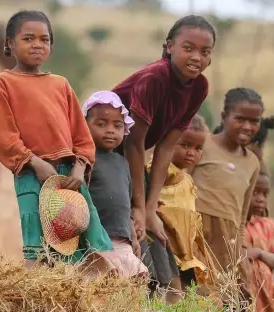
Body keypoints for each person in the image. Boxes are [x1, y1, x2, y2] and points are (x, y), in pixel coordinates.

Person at [0, 10, 112, 268]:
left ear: (51, 46)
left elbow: (81, 134)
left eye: (44, 39)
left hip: (69, 176)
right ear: (10, 43)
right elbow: (4, 136)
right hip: (31, 173)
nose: (37, 45)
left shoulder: (61, 84)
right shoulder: (3, 83)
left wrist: (79, 168)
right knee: (38, 245)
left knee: (83, 239)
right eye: (28, 38)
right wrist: (34, 162)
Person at [112, 15, 216, 301]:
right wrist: (138, 204)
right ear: (169, 46)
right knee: (130, 227)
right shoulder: (156, 77)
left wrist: (149, 205)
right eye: (188, 48)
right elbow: (133, 142)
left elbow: (165, 148)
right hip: (107, 155)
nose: (196, 57)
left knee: (155, 227)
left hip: (132, 158)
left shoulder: (199, 87)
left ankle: (168, 299)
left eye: (205, 52)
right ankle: (134, 295)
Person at [192, 87, 263, 303]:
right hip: (198, 234)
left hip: (229, 241)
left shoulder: (252, 162)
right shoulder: (202, 143)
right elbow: (180, 184)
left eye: (254, 121)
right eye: (240, 119)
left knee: (233, 299)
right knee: (200, 294)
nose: (248, 127)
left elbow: (241, 215)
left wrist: (241, 249)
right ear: (224, 117)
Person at [146, 115, 217, 293]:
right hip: (166, 240)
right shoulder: (162, 169)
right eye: (185, 145)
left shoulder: (187, 179)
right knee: (170, 289)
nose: (191, 152)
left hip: (184, 245)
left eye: (198, 148)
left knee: (188, 291)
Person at [82, 90, 148, 278]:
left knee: (137, 279)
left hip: (122, 241)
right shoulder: (85, 160)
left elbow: (125, 206)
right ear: (85, 126)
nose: (110, 130)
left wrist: (133, 238)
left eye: (117, 126)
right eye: (101, 124)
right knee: (102, 285)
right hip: (95, 240)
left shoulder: (123, 162)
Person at [245, 166, 274, 312]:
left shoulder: (268, 225)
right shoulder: (232, 227)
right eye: (255, 193)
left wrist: (259, 253)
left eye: (265, 194)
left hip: (267, 296)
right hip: (243, 296)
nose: (261, 199)